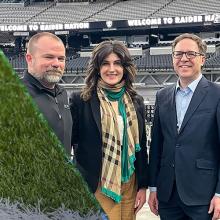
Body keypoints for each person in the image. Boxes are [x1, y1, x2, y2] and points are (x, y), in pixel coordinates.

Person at [70, 40, 148, 220]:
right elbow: (71, 144)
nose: (111, 69)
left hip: (130, 182)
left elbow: (141, 148)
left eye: (117, 63)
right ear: (97, 68)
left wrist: (143, 186)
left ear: (125, 68)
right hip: (98, 184)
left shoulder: (136, 101)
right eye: (105, 63)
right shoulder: (81, 100)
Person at [148, 33, 220, 220]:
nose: (184, 59)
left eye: (191, 54)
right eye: (178, 54)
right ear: (172, 58)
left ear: (202, 59)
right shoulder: (162, 95)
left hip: (203, 195)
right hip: (168, 194)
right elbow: (157, 145)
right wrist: (154, 188)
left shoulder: (217, 94)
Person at [22, 32, 72, 155]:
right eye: (49, 57)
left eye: (61, 58)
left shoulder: (62, 94)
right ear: (29, 58)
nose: (56, 64)